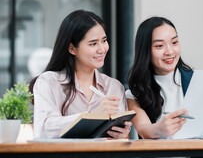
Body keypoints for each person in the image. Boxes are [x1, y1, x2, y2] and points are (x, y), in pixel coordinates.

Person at [30, 10, 131, 139]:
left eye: (104, 41)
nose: (102, 49)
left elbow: (118, 141)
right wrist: (91, 116)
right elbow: (45, 130)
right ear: (72, 48)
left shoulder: (114, 87)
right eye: (93, 43)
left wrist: (122, 136)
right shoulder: (49, 82)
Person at [126, 16, 203, 139]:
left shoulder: (201, 82)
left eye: (174, 42)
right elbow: (144, 130)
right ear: (145, 51)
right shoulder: (134, 94)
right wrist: (160, 129)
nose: (170, 51)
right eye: (160, 46)